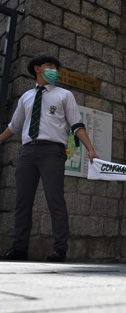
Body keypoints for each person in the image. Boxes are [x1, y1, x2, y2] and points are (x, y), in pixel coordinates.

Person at [0, 55, 98, 262]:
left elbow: (76, 125)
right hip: (27, 152)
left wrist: (90, 148)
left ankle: (60, 249)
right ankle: (19, 248)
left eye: (57, 68)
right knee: (22, 201)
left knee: (56, 200)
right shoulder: (26, 97)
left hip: (52, 152)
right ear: (38, 69)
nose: (55, 70)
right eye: (50, 66)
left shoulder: (64, 95)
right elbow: (14, 126)